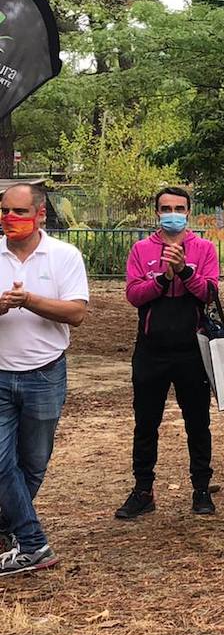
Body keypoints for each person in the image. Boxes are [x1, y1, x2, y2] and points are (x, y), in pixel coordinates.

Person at [116, 187, 221, 519]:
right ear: (156, 212)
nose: (172, 214)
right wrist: (163, 278)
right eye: (165, 208)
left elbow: (209, 293)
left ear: (188, 212)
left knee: (198, 422)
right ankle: (143, 490)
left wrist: (185, 271)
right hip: (151, 350)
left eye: (178, 208)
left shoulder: (204, 248)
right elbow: (134, 295)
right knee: (146, 423)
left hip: (192, 350)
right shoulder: (141, 249)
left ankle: (201, 489)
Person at [0, 182, 88, 576]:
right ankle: (33, 542)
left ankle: (8, 527)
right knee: (1, 461)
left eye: (19, 212)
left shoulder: (64, 256)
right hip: (0, 373)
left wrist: (29, 300)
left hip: (45, 373)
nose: (10, 218)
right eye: (5, 211)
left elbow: (76, 313)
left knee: (33, 463)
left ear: (40, 214)